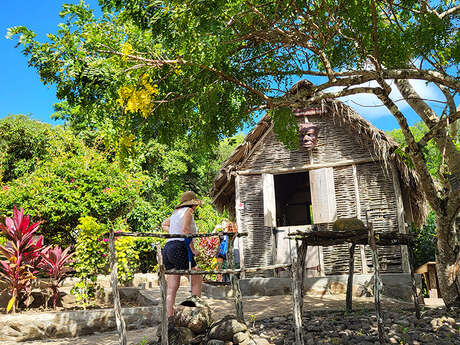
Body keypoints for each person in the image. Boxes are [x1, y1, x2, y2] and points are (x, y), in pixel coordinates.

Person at [161, 191, 203, 319]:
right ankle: (194, 313)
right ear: (193, 204)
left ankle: (170, 316)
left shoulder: (175, 213)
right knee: (197, 278)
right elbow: (185, 231)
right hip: (179, 247)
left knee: (173, 285)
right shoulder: (188, 212)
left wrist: (174, 232)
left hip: (168, 247)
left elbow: (164, 224)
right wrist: (192, 249)